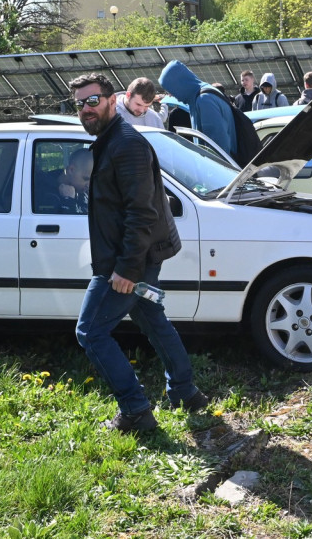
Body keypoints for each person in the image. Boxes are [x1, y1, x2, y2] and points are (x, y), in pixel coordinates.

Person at [69, 73, 209, 432]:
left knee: (91, 332)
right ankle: (185, 391)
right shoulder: (110, 140)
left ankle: (134, 409)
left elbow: (142, 211)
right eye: (80, 103)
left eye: (92, 101)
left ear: (111, 100)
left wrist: (127, 270)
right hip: (133, 255)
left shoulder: (124, 144)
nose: (86, 109)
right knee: (150, 318)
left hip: (128, 260)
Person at [159, 60, 238, 158]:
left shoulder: (204, 100)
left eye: (170, 90)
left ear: (178, 84)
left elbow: (217, 147)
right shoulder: (200, 96)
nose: (170, 95)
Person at [56, 148, 92, 214]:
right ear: (71, 170)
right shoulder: (43, 191)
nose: (89, 185)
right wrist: (68, 200)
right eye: (86, 179)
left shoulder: (84, 193)